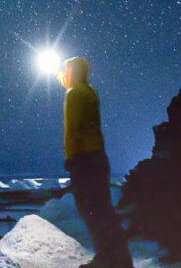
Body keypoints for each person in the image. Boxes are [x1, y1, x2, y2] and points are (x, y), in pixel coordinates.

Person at [58, 57, 134, 268]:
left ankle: (106, 259)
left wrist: (70, 158)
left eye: (67, 70)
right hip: (98, 159)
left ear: (72, 71)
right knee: (104, 211)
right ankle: (120, 260)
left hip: (84, 160)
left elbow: (72, 130)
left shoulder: (74, 95)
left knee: (90, 211)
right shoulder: (89, 92)